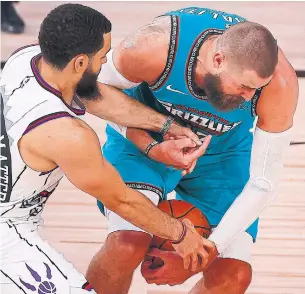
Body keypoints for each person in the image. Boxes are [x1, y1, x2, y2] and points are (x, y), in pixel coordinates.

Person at [0, 4, 215, 294]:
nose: (106, 64)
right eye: (102, 58)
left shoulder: (26, 60)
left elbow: (92, 94)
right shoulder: (68, 135)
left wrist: (167, 126)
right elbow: (122, 200)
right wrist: (180, 234)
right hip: (7, 229)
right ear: (78, 63)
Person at [86, 6, 299, 294]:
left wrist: (204, 253)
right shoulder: (154, 46)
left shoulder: (279, 84)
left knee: (232, 276)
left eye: (256, 88)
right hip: (145, 132)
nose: (250, 97)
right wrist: (150, 145)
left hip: (222, 150)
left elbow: (263, 183)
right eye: (244, 86)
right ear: (218, 59)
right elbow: (92, 93)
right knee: (126, 244)